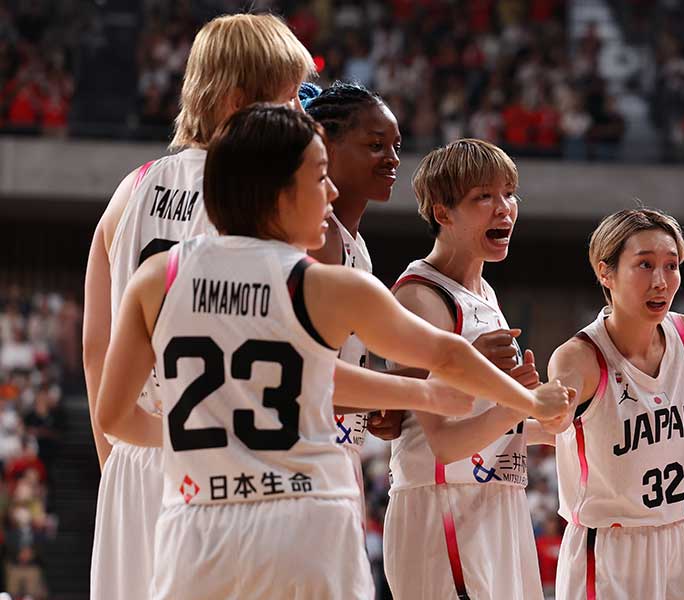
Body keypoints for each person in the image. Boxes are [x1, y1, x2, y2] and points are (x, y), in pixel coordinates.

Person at [95, 104, 571, 598]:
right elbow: (446, 356)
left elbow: (115, 417)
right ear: (276, 191)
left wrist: (214, 438)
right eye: (319, 178)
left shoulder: (158, 278)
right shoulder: (325, 286)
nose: (332, 193)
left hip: (197, 525)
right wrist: (531, 402)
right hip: (307, 520)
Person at [82, 14, 315, 600]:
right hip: (225, 461)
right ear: (239, 102)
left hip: (135, 453)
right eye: (289, 99)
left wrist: (115, 460)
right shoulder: (258, 204)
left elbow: (96, 347)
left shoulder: (129, 189)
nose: (301, 115)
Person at [384, 139, 555, 600]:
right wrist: (522, 402)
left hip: (496, 499)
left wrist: (548, 424)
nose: (504, 209)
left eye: (509, 193)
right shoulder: (421, 296)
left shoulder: (485, 295)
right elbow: (442, 443)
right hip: (444, 508)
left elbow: (488, 423)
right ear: (444, 214)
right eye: (484, 197)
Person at [545, 208, 684, 600]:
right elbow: (553, 421)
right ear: (606, 273)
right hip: (608, 547)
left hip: (678, 534)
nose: (661, 281)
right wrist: (545, 409)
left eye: (671, 266)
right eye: (644, 265)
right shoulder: (579, 357)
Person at [305, 81, 405, 466]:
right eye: (376, 145)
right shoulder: (320, 235)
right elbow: (311, 377)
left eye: (397, 146)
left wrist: (376, 402)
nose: (393, 158)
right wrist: (397, 393)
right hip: (307, 453)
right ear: (325, 145)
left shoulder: (353, 243)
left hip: (337, 449)